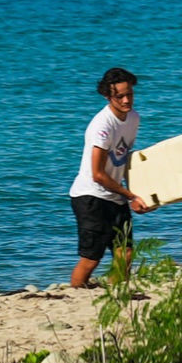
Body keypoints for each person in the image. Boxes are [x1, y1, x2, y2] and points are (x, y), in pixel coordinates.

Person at [67, 67, 153, 288]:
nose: (126, 100)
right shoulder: (102, 126)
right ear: (108, 96)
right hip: (91, 197)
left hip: (115, 195)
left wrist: (146, 192)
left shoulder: (133, 118)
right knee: (91, 258)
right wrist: (131, 196)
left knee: (125, 254)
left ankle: (116, 296)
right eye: (120, 96)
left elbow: (125, 159)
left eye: (130, 94)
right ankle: (75, 294)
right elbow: (97, 174)